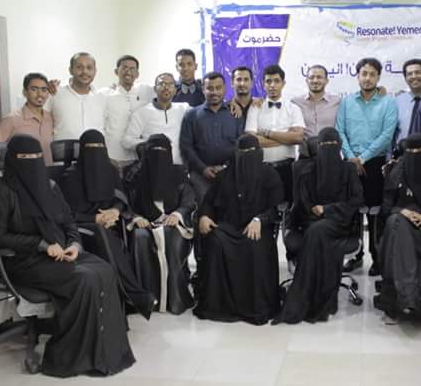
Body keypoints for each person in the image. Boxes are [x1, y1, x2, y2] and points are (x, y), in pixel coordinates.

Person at [0, 135, 134, 377]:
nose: (33, 162)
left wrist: (74, 243)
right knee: (85, 279)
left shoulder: (49, 187)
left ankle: (107, 353)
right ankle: (72, 356)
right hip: (24, 260)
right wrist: (41, 245)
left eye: (37, 157)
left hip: (61, 253)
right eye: (25, 157)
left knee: (105, 269)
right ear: (13, 160)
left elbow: (68, 221)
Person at [58, 129, 156, 319]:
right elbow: (66, 214)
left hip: (113, 225)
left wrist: (115, 211)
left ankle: (135, 295)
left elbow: (120, 197)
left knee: (132, 235)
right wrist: (94, 219)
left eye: (99, 147)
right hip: (83, 230)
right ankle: (136, 294)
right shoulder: (69, 177)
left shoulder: (110, 170)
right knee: (101, 233)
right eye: (91, 148)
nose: (96, 152)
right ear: (82, 150)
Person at [273, 127, 364, 324]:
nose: (329, 149)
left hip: (340, 222)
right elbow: (301, 203)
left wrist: (327, 209)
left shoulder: (349, 169)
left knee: (316, 231)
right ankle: (317, 297)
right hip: (310, 221)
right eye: (324, 145)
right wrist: (313, 211)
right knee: (315, 229)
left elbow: (357, 200)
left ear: (339, 146)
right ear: (318, 147)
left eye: (333, 145)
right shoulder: (306, 170)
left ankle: (310, 297)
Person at [192, 134, 283, 325]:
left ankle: (255, 305)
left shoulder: (269, 174)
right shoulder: (224, 176)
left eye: (251, 152)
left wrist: (260, 219)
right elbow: (208, 202)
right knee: (215, 240)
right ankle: (218, 305)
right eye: (243, 152)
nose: (247, 157)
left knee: (254, 244)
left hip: (257, 227)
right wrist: (205, 216)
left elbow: (276, 209)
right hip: (228, 226)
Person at [373, 134, 421, 321]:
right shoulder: (397, 171)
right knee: (396, 223)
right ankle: (411, 298)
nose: (414, 155)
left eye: (418, 151)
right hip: (401, 225)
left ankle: (396, 297)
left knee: (394, 227)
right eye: (410, 151)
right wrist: (403, 211)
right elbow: (386, 208)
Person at [336, 57, 398, 276]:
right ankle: (355, 256)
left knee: (375, 214)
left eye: (372, 74)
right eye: (364, 73)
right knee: (352, 211)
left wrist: (362, 158)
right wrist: (351, 157)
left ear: (378, 77)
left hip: (375, 164)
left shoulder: (388, 103)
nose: (368, 78)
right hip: (350, 163)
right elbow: (340, 131)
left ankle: (377, 256)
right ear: (358, 76)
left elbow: (387, 135)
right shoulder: (347, 102)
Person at [123, 134, 196, 315]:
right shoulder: (134, 175)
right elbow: (125, 204)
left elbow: (189, 200)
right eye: (154, 152)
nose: (159, 156)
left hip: (173, 223)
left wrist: (177, 214)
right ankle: (148, 297)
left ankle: (175, 297)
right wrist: (136, 217)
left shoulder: (179, 173)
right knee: (140, 237)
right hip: (145, 223)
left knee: (173, 238)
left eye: (163, 151)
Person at [245, 64, 305, 204]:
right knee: (263, 207)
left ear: (283, 83)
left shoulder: (293, 108)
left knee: (287, 207)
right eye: (268, 81)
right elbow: (251, 141)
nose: (272, 85)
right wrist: (286, 137)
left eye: (276, 81)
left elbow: (298, 138)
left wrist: (267, 133)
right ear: (263, 84)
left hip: (287, 168)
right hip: (261, 168)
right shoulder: (255, 107)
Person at [180, 71, 244, 202]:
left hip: (231, 173)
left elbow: (241, 145)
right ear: (203, 89)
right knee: (204, 210)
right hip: (200, 176)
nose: (214, 92)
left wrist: (226, 167)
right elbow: (186, 146)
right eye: (210, 88)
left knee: (229, 209)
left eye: (218, 88)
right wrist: (203, 169)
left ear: (225, 89)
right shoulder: (191, 115)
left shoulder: (235, 114)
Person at [122, 72, 189, 165]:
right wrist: (152, 143)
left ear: (175, 90)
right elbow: (127, 141)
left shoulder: (184, 109)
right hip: (153, 167)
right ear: (155, 89)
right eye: (162, 84)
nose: (166, 87)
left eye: (170, 84)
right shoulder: (142, 112)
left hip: (178, 166)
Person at [99, 55, 153, 167]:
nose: (128, 72)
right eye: (124, 68)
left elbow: (166, 85)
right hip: (111, 155)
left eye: (132, 69)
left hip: (137, 157)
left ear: (137, 74)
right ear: (116, 71)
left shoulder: (146, 92)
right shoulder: (104, 94)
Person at [0, 73, 55, 165]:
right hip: (22, 172)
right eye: (34, 89)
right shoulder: (11, 119)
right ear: (25, 92)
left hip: (49, 171)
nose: (40, 94)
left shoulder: (51, 118)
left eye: (44, 90)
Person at [48, 52, 106, 140]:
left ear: (95, 71)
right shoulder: (54, 93)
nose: (85, 71)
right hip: (63, 148)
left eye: (89, 68)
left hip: (95, 148)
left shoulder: (102, 97)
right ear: (70, 70)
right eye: (79, 67)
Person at [393, 59, 421, 147]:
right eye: (409, 74)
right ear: (405, 78)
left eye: (417, 72)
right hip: (402, 152)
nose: (414, 76)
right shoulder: (396, 102)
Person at [291, 65, 341, 137]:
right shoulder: (295, 103)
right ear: (307, 81)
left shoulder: (337, 102)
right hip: (304, 144)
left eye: (319, 77)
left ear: (326, 81)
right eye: (311, 77)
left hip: (329, 143)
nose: (315, 81)